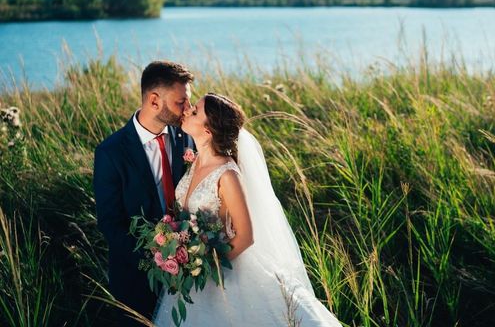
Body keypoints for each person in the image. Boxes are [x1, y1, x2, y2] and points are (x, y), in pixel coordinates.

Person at [154, 93, 341, 326]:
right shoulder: (195, 162)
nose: (187, 111)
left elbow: (246, 236)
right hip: (194, 271)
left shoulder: (227, 175)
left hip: (221, 272)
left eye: (195, 112)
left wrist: (207, 267)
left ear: (208, 130)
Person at [93, 61, 195, 325]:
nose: (188, 109)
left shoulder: (188, 138)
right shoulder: (111, 152)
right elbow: (110, 223)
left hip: (192, 273)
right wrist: (156, 261)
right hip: (137, 279)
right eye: (180, 102)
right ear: (154, 101)